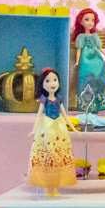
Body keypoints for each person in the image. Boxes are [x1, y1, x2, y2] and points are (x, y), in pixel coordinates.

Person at [26, 68, 76, 197]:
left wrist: (73, 128)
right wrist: (34, 129)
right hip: (47, 126)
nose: (52, 83)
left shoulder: (59, 98)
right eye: (48, 81)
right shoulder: (44, 99)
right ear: (42, 84)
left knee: (57, 156)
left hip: (58, 127)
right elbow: (38, 115)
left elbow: (65, 115)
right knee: (47, 155)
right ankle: (45, 188)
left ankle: (55, 187)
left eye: (55, 80)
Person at [71, 8, 105, 111]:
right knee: (87, 79)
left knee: (98, 79)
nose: (90, 22)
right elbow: (79, 49)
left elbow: (99, 47)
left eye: (93, 20)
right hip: (86, 59)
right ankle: (87, 104)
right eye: (87, 19)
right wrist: (77, 61)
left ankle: (99, 103)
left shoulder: (95, 36)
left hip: (97, 59)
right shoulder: (81, 37)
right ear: (81, 22)